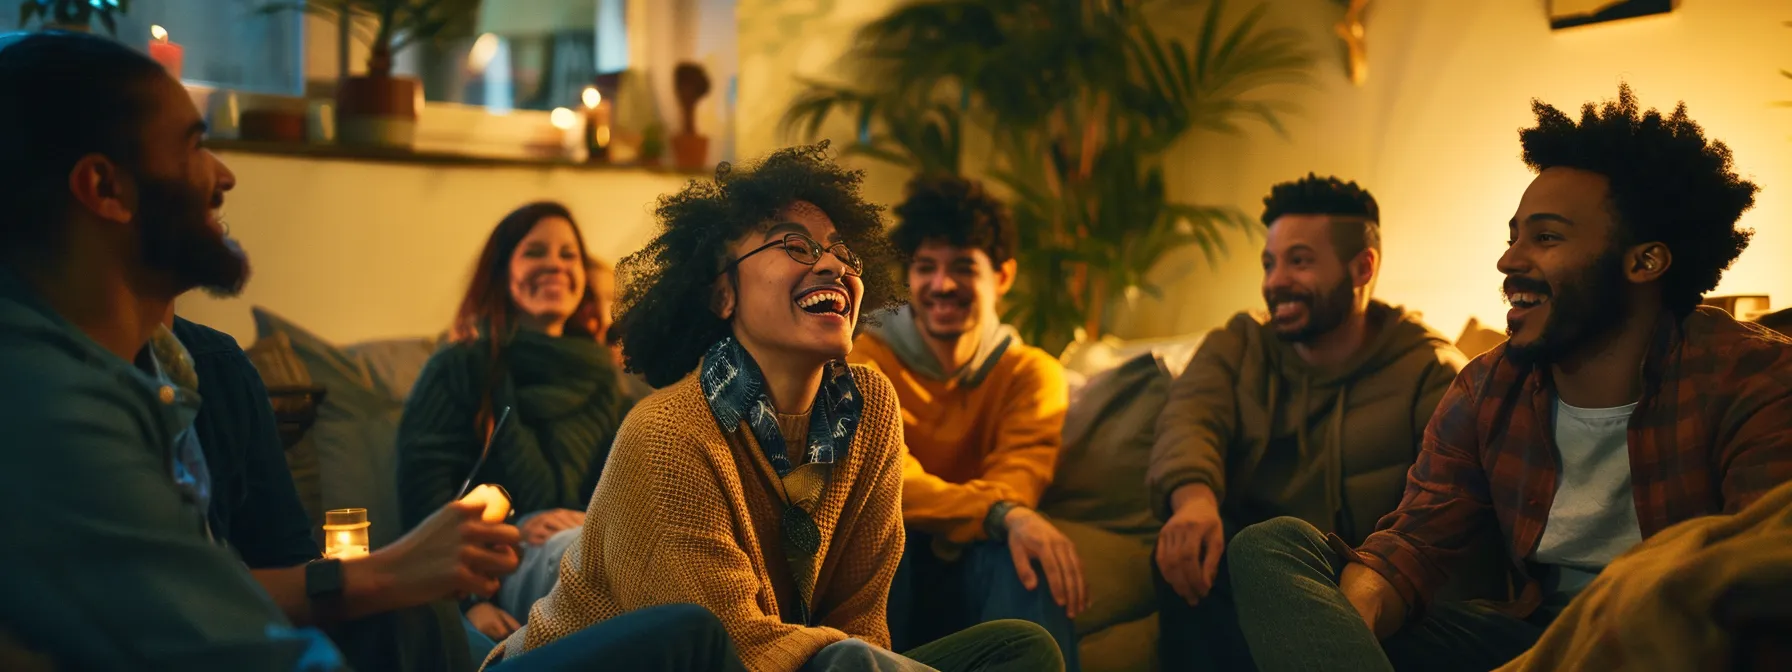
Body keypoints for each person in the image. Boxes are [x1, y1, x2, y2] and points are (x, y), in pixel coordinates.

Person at [1225, 85, 1792, 671]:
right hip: (1534, 640)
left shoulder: (1755, 379)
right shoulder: (1486, 388)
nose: (1509, 260)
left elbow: (1759, 582)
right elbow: (1413, 546)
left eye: (1545, 238)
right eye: (1512, 236)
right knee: (1271, 546)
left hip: (1679, 638)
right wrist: (1350, 625)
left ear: (1644, 262)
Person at [0, 30, 511, 670]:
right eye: (195, 145)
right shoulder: (44, 406)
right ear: (105, 188)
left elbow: (257, 576)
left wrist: (392, 576)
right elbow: (232, 640)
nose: (225, 175)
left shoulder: (198, 370)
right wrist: (389, 572)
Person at [503, 143, 1064, 672]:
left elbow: (862, 620)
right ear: (723, 293)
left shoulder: (869, 408)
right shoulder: (667, 432)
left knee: (1019, 650)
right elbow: (727, 643)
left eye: (841, 250)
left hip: (803, 662)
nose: (832, 266)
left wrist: (857, 654)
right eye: (795, 245)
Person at [1146, 174, 1469, 669]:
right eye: (1270, 264)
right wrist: (1193, 502)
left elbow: (1448, 514)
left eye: (1299, 261)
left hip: (1371, 590)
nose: (1275, 282)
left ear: (1362, 268)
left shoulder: (1428, 370)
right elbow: (1189, 418)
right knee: (1186, 546)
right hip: (1252, 575)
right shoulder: (1240, 344)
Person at [848, 176, 1082, 668]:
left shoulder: (1031, 373)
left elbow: (1016, 484)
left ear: (1003, 277)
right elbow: (889, 483)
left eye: (963, 268)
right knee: (882, 529)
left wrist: (1004, 516)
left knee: (1028, 550)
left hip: (983, 565)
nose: (941, 285)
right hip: (894, 567)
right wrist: (997, 513)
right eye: (925, 268)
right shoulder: (864, 362)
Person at [398, 202, 636, 639]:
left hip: (595, 546)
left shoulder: (603, 377)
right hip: (497, 566)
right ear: (501, 271)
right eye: (535, 252)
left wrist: (590, 523)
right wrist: (468, 604)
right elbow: (424, 504)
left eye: (568, 255)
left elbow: (622, 490)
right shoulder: (460, 366)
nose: (555, 265)